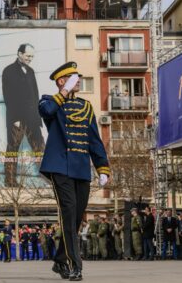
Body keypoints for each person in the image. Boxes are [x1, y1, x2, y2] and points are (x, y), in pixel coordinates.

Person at [38, 61, 110, 281]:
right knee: (68, 215)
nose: (77, 80)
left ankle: (60, 259)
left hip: (81, 168)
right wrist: (64, 91)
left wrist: (102, 167)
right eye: (72, 77)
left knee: (77, 218)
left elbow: (94, 140)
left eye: (76, 78)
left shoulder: (86, 106)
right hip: (59, 167)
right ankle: (75, 265)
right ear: (62, 81)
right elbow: (47, 111)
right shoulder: (49, 101)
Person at [2, 43, 45, 187]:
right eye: (28, 56)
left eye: (32, 56)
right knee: (13, 150)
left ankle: (46, 175)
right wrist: (14, 119)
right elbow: (8, 96)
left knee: (40, 147)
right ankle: (10, 180)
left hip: (32, 118)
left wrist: (38, 117)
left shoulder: (31, 71)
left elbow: (35, 95)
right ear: (19, 54)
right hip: (17, 119)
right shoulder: (8, 71)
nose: (30, 59)